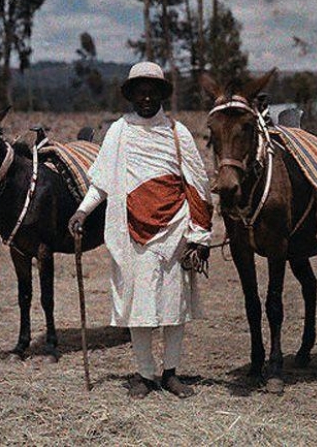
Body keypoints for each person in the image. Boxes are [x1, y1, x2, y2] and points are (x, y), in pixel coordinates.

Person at [68, 62, 213, 399]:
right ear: (131, 95)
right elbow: (102, 183)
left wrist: (200, 235)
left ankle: (171, 373)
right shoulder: (119, 132)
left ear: (161, 94)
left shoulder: (178, 133)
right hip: (132, 232)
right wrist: (82, 210)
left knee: (174, 306)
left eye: (152, 91)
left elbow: (198, 185)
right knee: (139, 305)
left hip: (176, 231)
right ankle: (145, 374)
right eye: (140, 91)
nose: (146, 97)